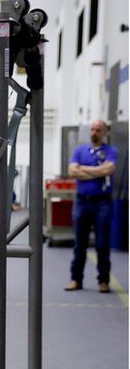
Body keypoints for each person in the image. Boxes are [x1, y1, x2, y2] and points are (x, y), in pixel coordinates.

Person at [65, 119, 117, 293]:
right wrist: (97, 170)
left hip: (103, 203)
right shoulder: (80, 150)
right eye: (93, 129)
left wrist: (84, 169)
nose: (94, 132)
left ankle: (104, 281)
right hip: (82, 202)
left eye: (98, 130)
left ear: (104, 132)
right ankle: (76, 279)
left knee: (102, 244)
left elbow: (108, 170)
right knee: (80, 244)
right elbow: (72, 171)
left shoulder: (111, 151)